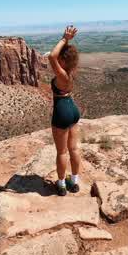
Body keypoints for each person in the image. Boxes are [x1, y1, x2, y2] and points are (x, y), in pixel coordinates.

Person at [48, 25, 81, 196]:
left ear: (62, 61)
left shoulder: (62, 75)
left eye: (61, 59)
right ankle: (74, 182)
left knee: (62, 152)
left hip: (62, 112)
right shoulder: (71, 71)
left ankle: (61, 185)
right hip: (73, 110)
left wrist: (64, 39)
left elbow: (52, 56)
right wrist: (67, 43)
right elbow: (59, 56)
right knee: (73, 149)